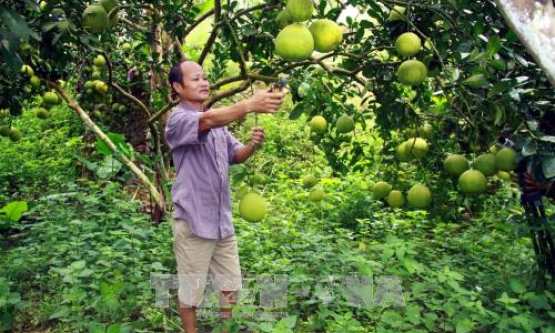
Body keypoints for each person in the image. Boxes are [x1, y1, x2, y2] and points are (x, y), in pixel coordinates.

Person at [164, 60, 286, 333]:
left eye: (205, 78)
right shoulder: (178, 120)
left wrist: (252, 146)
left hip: (222, 222)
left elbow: (236, 156)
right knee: (191, 288)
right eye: (195, 79)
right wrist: (248, 105)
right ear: (177, 87)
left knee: (230, 285)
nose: (204, 83)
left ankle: (226, 329)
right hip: (194, 221)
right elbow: (205, 120)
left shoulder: (219, 124)